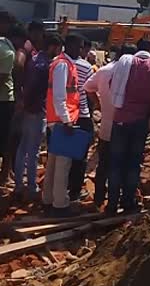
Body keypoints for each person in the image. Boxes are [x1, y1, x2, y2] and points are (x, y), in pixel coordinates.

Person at [107, 39, 150, 214]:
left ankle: (112, 203)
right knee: (133, 163)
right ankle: (128, 202)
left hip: (120, 119)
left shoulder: (125, 63)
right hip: (140, 120)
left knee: (116, 163)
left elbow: (110, 84)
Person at [14, 33, 62, 200]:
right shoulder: (45, 65)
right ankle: (32, 188)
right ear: (53, 47)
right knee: (33, 150)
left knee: (22, 147)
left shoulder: (33, 60)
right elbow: (35, 88)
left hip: (28, 108)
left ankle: (19, 184)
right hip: (36, 110)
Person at [84, 44, 134, 207]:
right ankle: (118, 200)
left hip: (106, 127)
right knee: (123, 164)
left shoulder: (104, 71)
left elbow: (87, 87)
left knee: (103, 164)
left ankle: (99, 198)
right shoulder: (134, 73)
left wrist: (98, 103)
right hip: (126, 128)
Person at [42, 34, 85, 216]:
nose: (81, 50)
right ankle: (60, 204)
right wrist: (67, 121)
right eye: (80, 46)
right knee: (62, 165)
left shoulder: (64, 64)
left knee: (53, 163)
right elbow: (60, 96)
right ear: (71, 46)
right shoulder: (62, 65)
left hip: (58, 119)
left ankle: (48, 199)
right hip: (62, 121)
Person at [0, 24, 27, 183]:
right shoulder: (9, 52)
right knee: (7, 140)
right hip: (4, 101)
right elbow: (4, 76)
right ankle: (4, 175)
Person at [69, 38, 95, 202]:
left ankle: (60, 190)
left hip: (63, 115)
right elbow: (90, 91)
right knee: (80, 157)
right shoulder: (86, 67)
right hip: (82, 115)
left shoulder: (57, 63)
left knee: (62, 155)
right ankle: (75, 192)